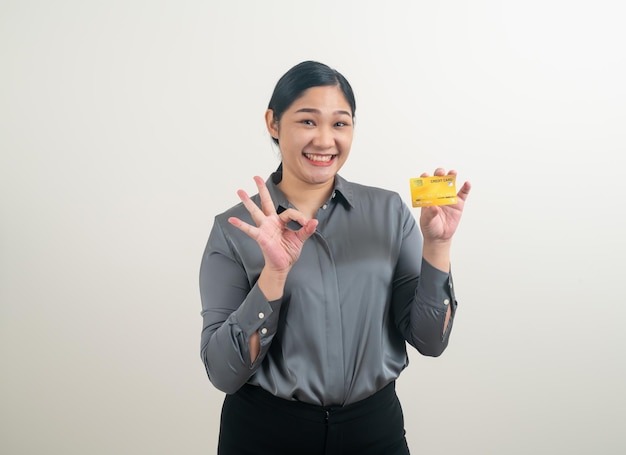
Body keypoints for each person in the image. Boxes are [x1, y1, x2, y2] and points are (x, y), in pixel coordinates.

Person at [199, 60, 471, 455]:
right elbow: (223, 372)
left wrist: (438, 246)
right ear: (273, 123)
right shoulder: (235, 229)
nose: (325, 140)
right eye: (308, 122)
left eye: (340, 124)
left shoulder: (389, 212)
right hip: (265, 435)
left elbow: (430, 341)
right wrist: (274, 274)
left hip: (374, 432)